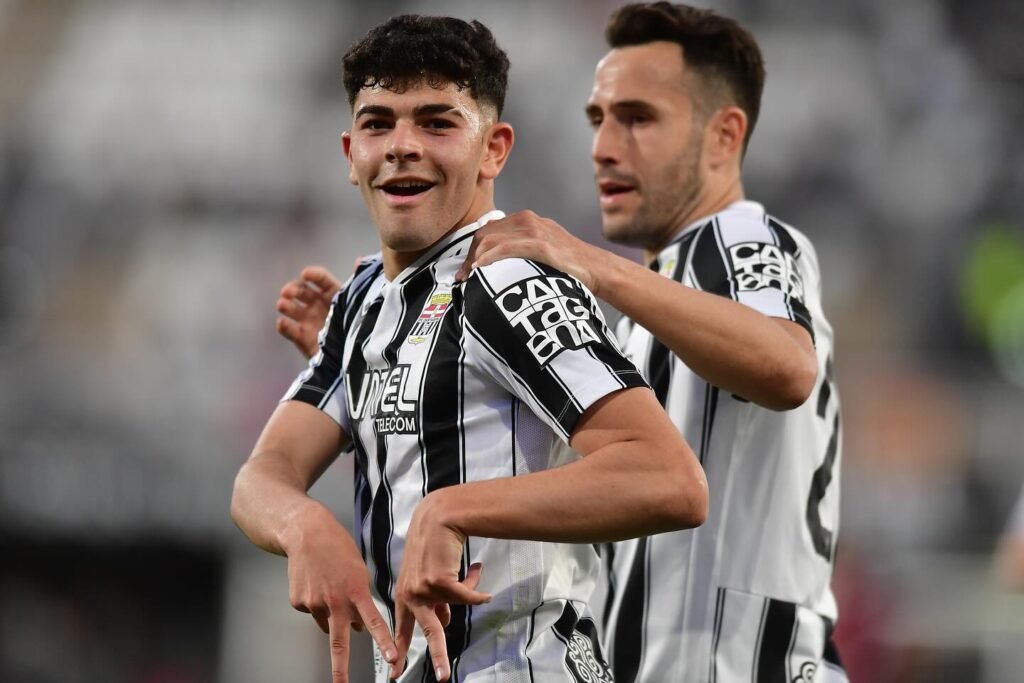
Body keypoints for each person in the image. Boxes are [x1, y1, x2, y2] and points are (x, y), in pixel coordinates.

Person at [277, 4, 846, 682]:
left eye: (638, 118)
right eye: (597, 119)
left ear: (724, 136)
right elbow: (565, 468)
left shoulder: (732, 239)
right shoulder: (655, 308)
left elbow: (787, 366)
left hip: (746, 666)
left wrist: (590, 260)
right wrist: (394, 361)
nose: (604, 146)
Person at [234, 14, 709, 683]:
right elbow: (263, 474)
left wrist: (452, 507)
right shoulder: (364, 299)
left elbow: (669, 477)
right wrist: (303, 525)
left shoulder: (504, 279)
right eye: (378, 123)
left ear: (494, 149)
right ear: (350, 154)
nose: (402, 145)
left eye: (436, 122)